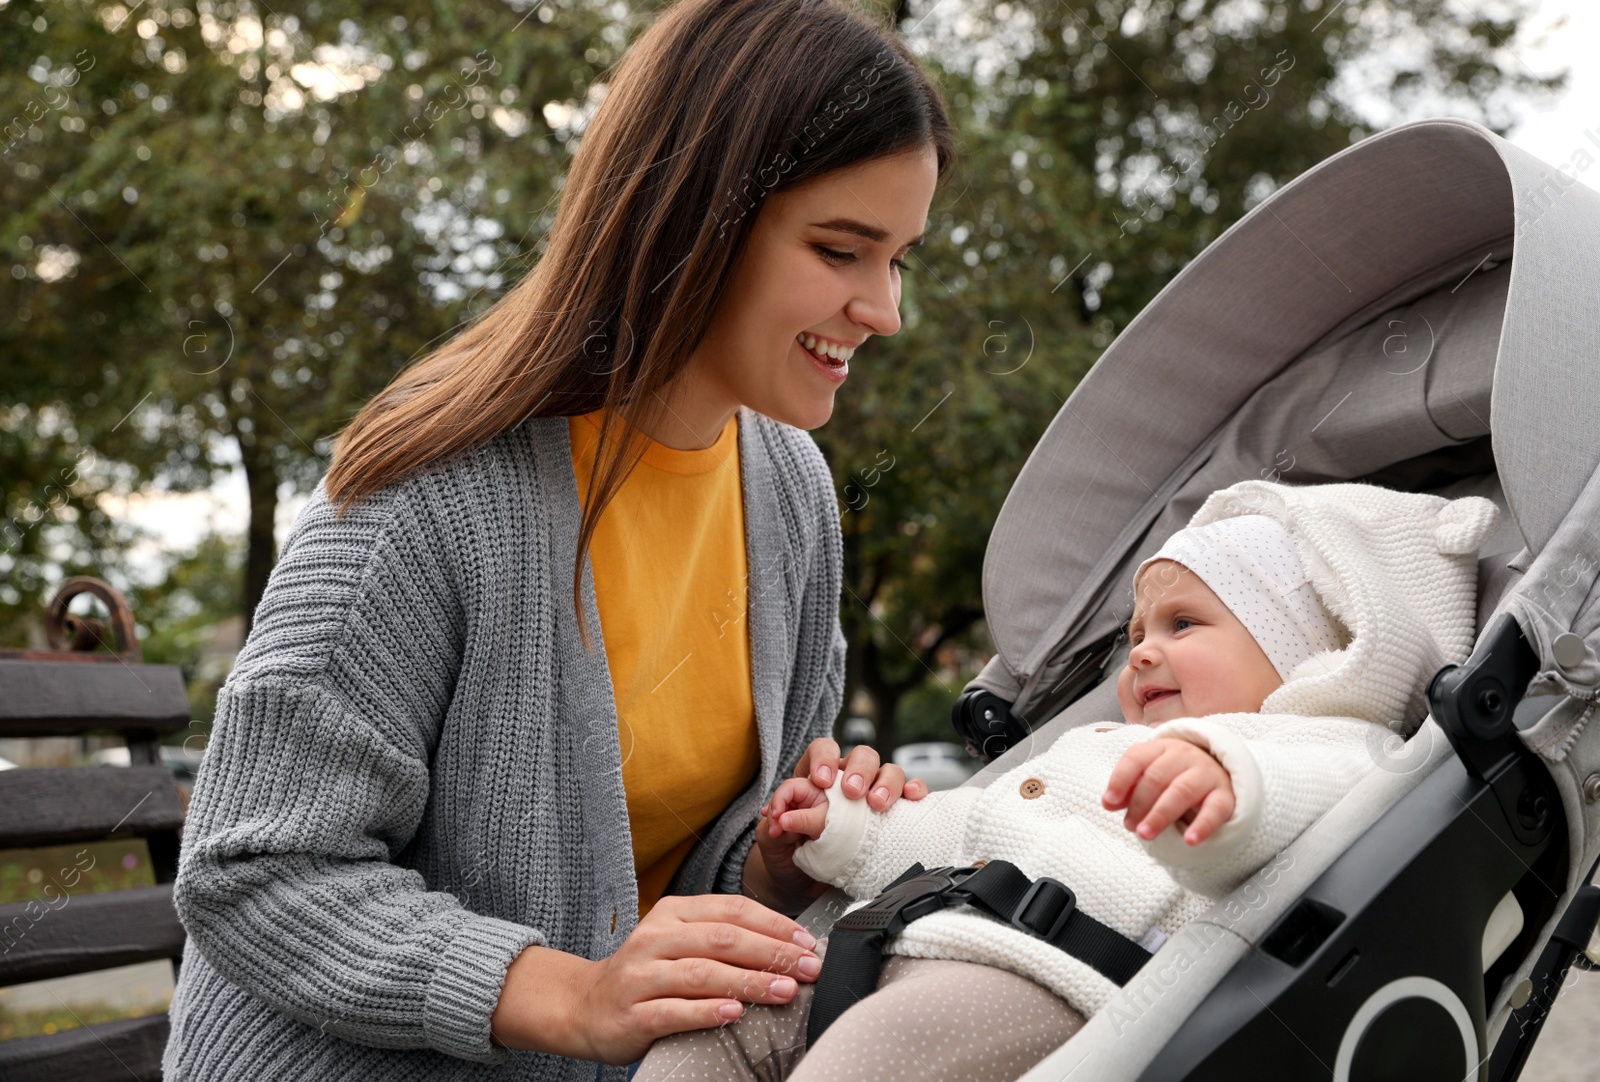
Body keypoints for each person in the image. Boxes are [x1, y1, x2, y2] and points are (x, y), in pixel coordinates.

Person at [161, 2, 957, 1079]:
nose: (884, 308)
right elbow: (254, 866)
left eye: (898, 256)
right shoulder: (434, 486)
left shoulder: (792, 493)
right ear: (693, 219)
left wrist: (773, 860)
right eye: (840, 249)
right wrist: (565, 993)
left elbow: (654, 883)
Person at [635, 479, 1501, 1081]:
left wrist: (1222, 789)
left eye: (1185, 623)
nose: (1145, 650)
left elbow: (1286, 815)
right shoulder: (1092, 748)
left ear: (1306, 654)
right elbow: (967, 833)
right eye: (1135, 635)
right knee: (719, 1029)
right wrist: (844, 832)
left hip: (1048, 989)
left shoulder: (1326, 747)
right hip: (904, 942)